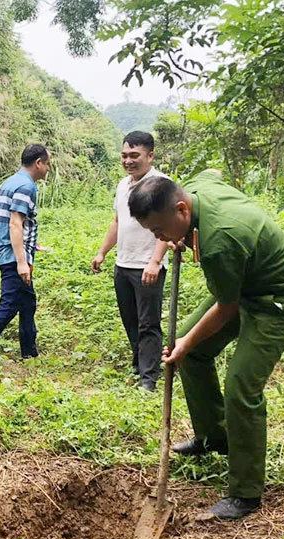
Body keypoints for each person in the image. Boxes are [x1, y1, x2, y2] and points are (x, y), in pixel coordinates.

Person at [128, 171, 284, 520]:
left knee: (241, 385)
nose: (160, 240)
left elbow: (226, 309)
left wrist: (185, 343)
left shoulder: (220, 241)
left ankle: (245, 493)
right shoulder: (196, 189)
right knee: (191, 348)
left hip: (278, 299)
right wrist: (180, 238)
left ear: (182, 210)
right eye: (154, 234)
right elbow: (213, 173)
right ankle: (214, 436)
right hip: (246, 284)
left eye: (161, 232)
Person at [91, 131, 171, 391]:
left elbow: (169, 226)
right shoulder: (123, 185)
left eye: (134, 155)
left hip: (147, 266)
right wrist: (103, 252)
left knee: (149, 323)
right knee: (131, 320)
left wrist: (155, 262)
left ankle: (149, 380)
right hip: (124, 264)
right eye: (124, 155)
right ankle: (139, 366)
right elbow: (118, 221)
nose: (128, 161)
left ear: (150, 155)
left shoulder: (161, 184)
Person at [0, 144, 51, 358]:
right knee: (8, 306)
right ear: (38, 163)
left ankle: (29, 352)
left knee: (27, 302)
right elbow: (15, 224)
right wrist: (21, 261)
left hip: (6, 250)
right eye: (47, 164)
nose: (48, 169)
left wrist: (32, 245)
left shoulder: (9, 182)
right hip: (13, 255)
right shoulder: (27, 187)